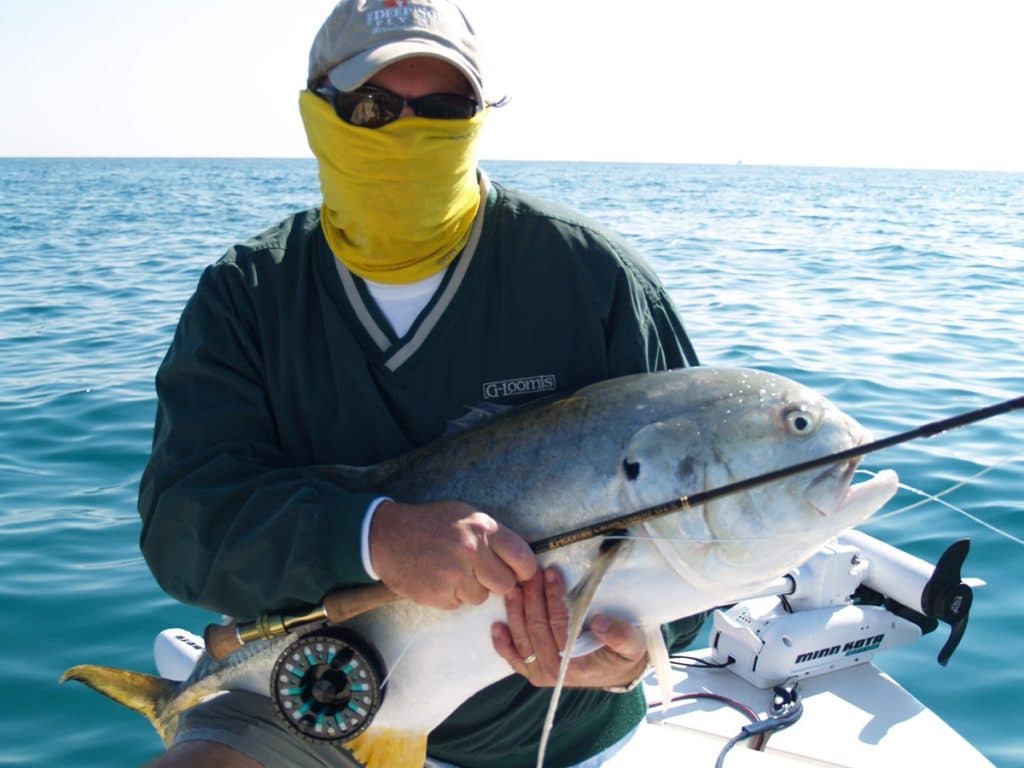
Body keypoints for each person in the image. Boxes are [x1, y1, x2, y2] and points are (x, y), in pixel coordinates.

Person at [138, 1, 704, 766]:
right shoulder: (249, 296)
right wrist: (373, 537)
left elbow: (710, 537)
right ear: (317, 113)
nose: (408, 131)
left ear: (480, 118)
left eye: (444, 108)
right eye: (372, 107)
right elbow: (183, 527)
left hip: (547, 734)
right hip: (311, 699)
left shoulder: (592, 279)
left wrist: (635, 652)